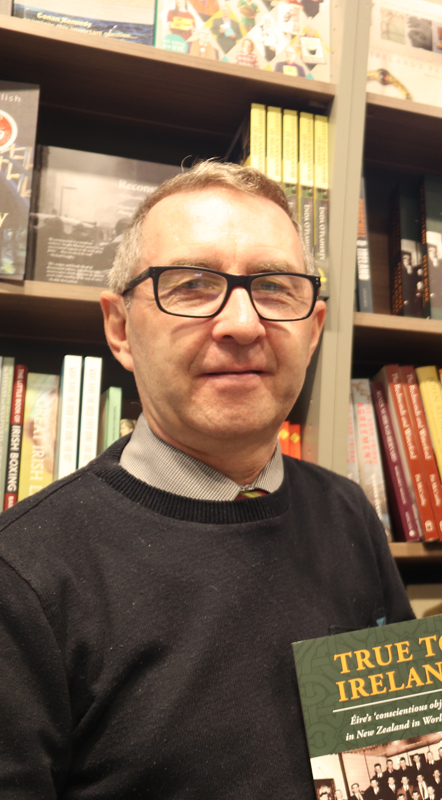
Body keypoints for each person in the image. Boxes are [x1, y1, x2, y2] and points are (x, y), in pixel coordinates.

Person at [0, 161, 413, 796]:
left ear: (314, 331)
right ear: (120, 329)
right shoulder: (22, 574)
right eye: (192, 285)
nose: (243, 324)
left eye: (275, 288)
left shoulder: (347, 510)